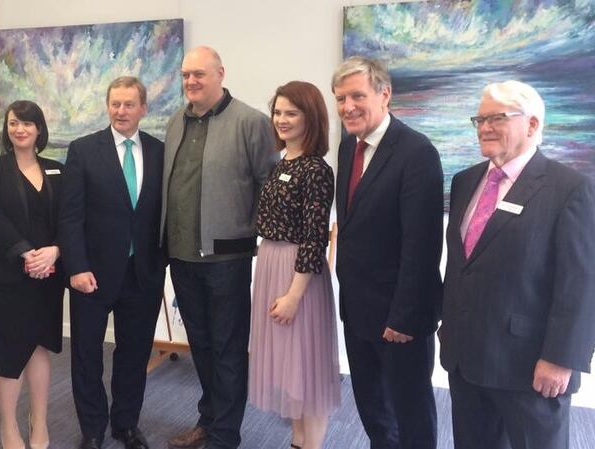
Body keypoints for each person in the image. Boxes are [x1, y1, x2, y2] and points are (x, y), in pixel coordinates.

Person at [441, 80, 595, 449]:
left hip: (528, 367)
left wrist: (561, 358)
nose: (484, 127)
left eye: (497, 118)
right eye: (479, 119)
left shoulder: (569, 188)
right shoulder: (465, 181)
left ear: (532, 125)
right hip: (466, 358)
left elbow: (581, 284)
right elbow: (465, 266)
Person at [163, 46, 277, 449]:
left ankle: (225, 436)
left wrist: (256, 234)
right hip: (180, 255)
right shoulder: (177, 121)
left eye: (199, 74)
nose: (191, 81)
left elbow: (270, 184)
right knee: (202, 346)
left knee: (228, 348)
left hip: (227, 258)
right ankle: (208, 420)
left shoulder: (251, 122)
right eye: (185, 75)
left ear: (220, 74)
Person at [332, 56, 444, 449]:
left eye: (357, 95)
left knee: (410, 413)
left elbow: (423, 246)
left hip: (400, 318)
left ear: (385, 94)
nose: (348, 106)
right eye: (341, 97)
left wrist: (405, 317)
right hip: (358, 310)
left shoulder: (417, 153)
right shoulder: (349, 147)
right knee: (373, 409)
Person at [59, 76, 165, 449]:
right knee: (87, 354)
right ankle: (92, 428)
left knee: (133, 354)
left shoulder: (159, 151)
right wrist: (76, 266)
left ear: (143, 109)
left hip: (143, 273)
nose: (121, 111)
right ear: (108, 106)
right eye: (115, 104)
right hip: (92, 273)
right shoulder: (84, 150)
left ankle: (125, 424)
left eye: (129, 104)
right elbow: (69, 215)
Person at [248, 81, 341, 449]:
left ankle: (311, 444)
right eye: (278, 112)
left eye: (292, 112)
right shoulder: (281, 162)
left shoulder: (316, 170)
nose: (282, 119)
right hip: (271, 262)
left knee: (308, 370)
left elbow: (315, 239)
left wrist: (293, 296)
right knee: (290, 372)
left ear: (311, 117)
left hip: (298, 276)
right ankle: (298, 442)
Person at [0, 100, 65, 449]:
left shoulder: (58, 169)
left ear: (39, 129)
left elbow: (68, 219)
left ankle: (38, 421)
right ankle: (9, 427)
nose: (20, 129)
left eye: (27, 124)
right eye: (13, 123)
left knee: (40, 346)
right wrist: (26, 253)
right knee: (10, 349)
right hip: (4, 274)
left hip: (48, 273)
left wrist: (55, 250)